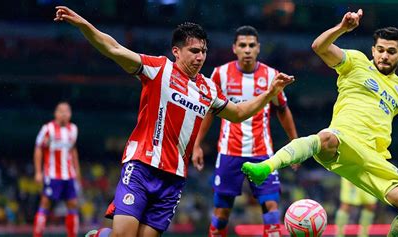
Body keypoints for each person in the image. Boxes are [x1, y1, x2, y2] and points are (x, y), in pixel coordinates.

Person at [53, 6, 294, 237]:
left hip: (174, 177)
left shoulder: (208, 89)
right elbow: (114, 48)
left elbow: (240, 112)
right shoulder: (158, 69)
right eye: (194, 51)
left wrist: (271, 92)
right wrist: (83, 24)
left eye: (203, 51)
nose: (200, 57)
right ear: (176, 51)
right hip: (141, 166)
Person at [241, 9, 398, 236]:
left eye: (391, 52)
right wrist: (342, 28)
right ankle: (267, 167)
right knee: (324, 137)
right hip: (342, 141)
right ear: (373, 50)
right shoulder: (355, 62)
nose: (384, 56)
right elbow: (319, 47)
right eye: (380, 50)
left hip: (374, 160)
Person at [192, 26, 298, 237]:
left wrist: (296, 144)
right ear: (234, 48)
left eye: (251, 45)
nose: (247, 49)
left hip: (262, 152)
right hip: (229, 152)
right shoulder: (220, 74)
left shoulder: (271, 75)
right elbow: (209, 112)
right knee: (221, 215)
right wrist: (196, 144)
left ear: (258, 48)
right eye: (242, 45)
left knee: (272, 212)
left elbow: (282, 109)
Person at [33, 101, 81, 237]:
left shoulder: (74, 129)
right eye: (61, 111)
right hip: (52, 174)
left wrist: (77, 171)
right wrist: (38, 172)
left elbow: (73, 150)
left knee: (72, 204)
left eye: (67, 111)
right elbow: (38, 148)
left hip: (69, 175)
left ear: (70, 114)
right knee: (45, 203)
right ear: (56, 113)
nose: (64, 114)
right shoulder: (48, 129)